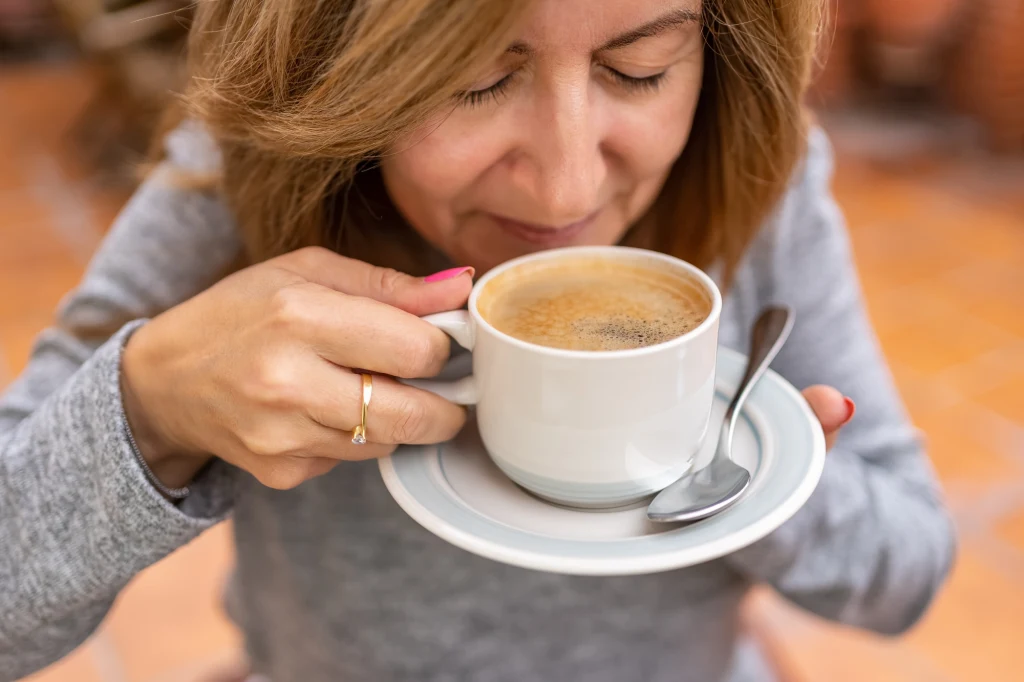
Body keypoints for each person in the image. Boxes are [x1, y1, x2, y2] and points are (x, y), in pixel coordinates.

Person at [0, 0, 956, 680]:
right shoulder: (233, 189)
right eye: (471, 84)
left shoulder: (761, 179)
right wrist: (149, 409)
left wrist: (757, 480)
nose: (566, 189)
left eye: (640, 70)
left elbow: (908, 571)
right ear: (335, 71)